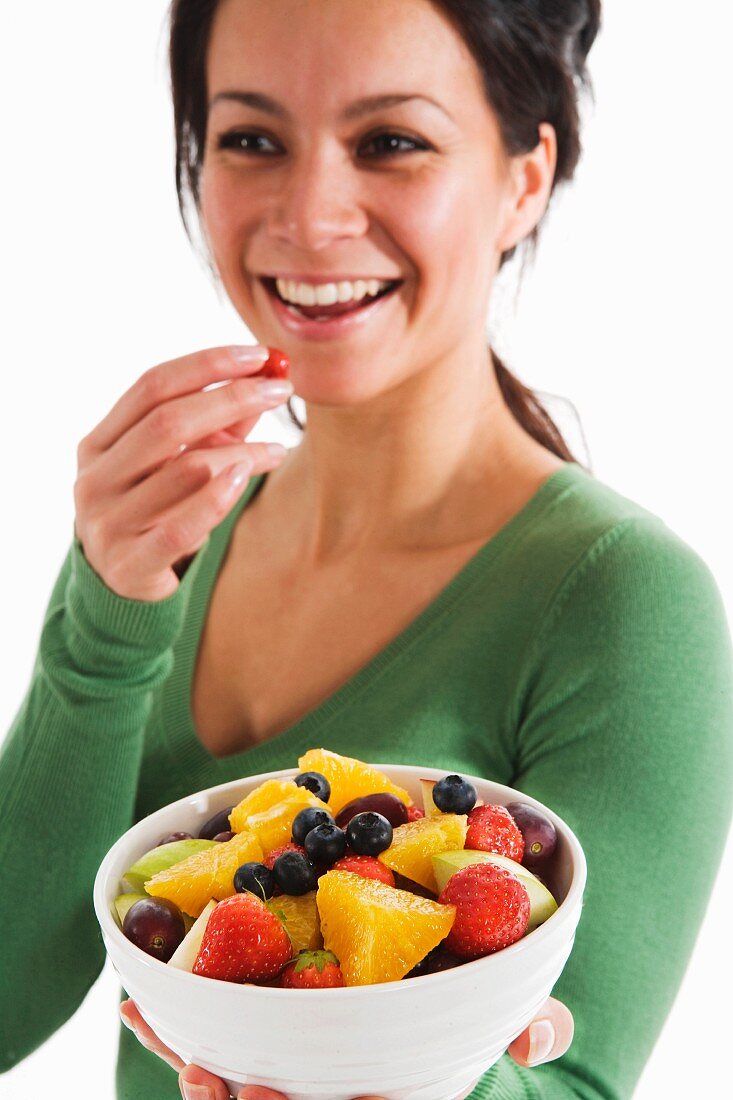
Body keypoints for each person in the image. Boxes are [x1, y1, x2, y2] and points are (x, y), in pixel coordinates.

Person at [1, 0, 731, 1098]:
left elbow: (570, 1084)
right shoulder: (163, 537)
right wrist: (104, 621)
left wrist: (394, 1067)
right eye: (252, 139)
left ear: (523, 177)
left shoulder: (623, 598)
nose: (308, 213)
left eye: (390, 141)